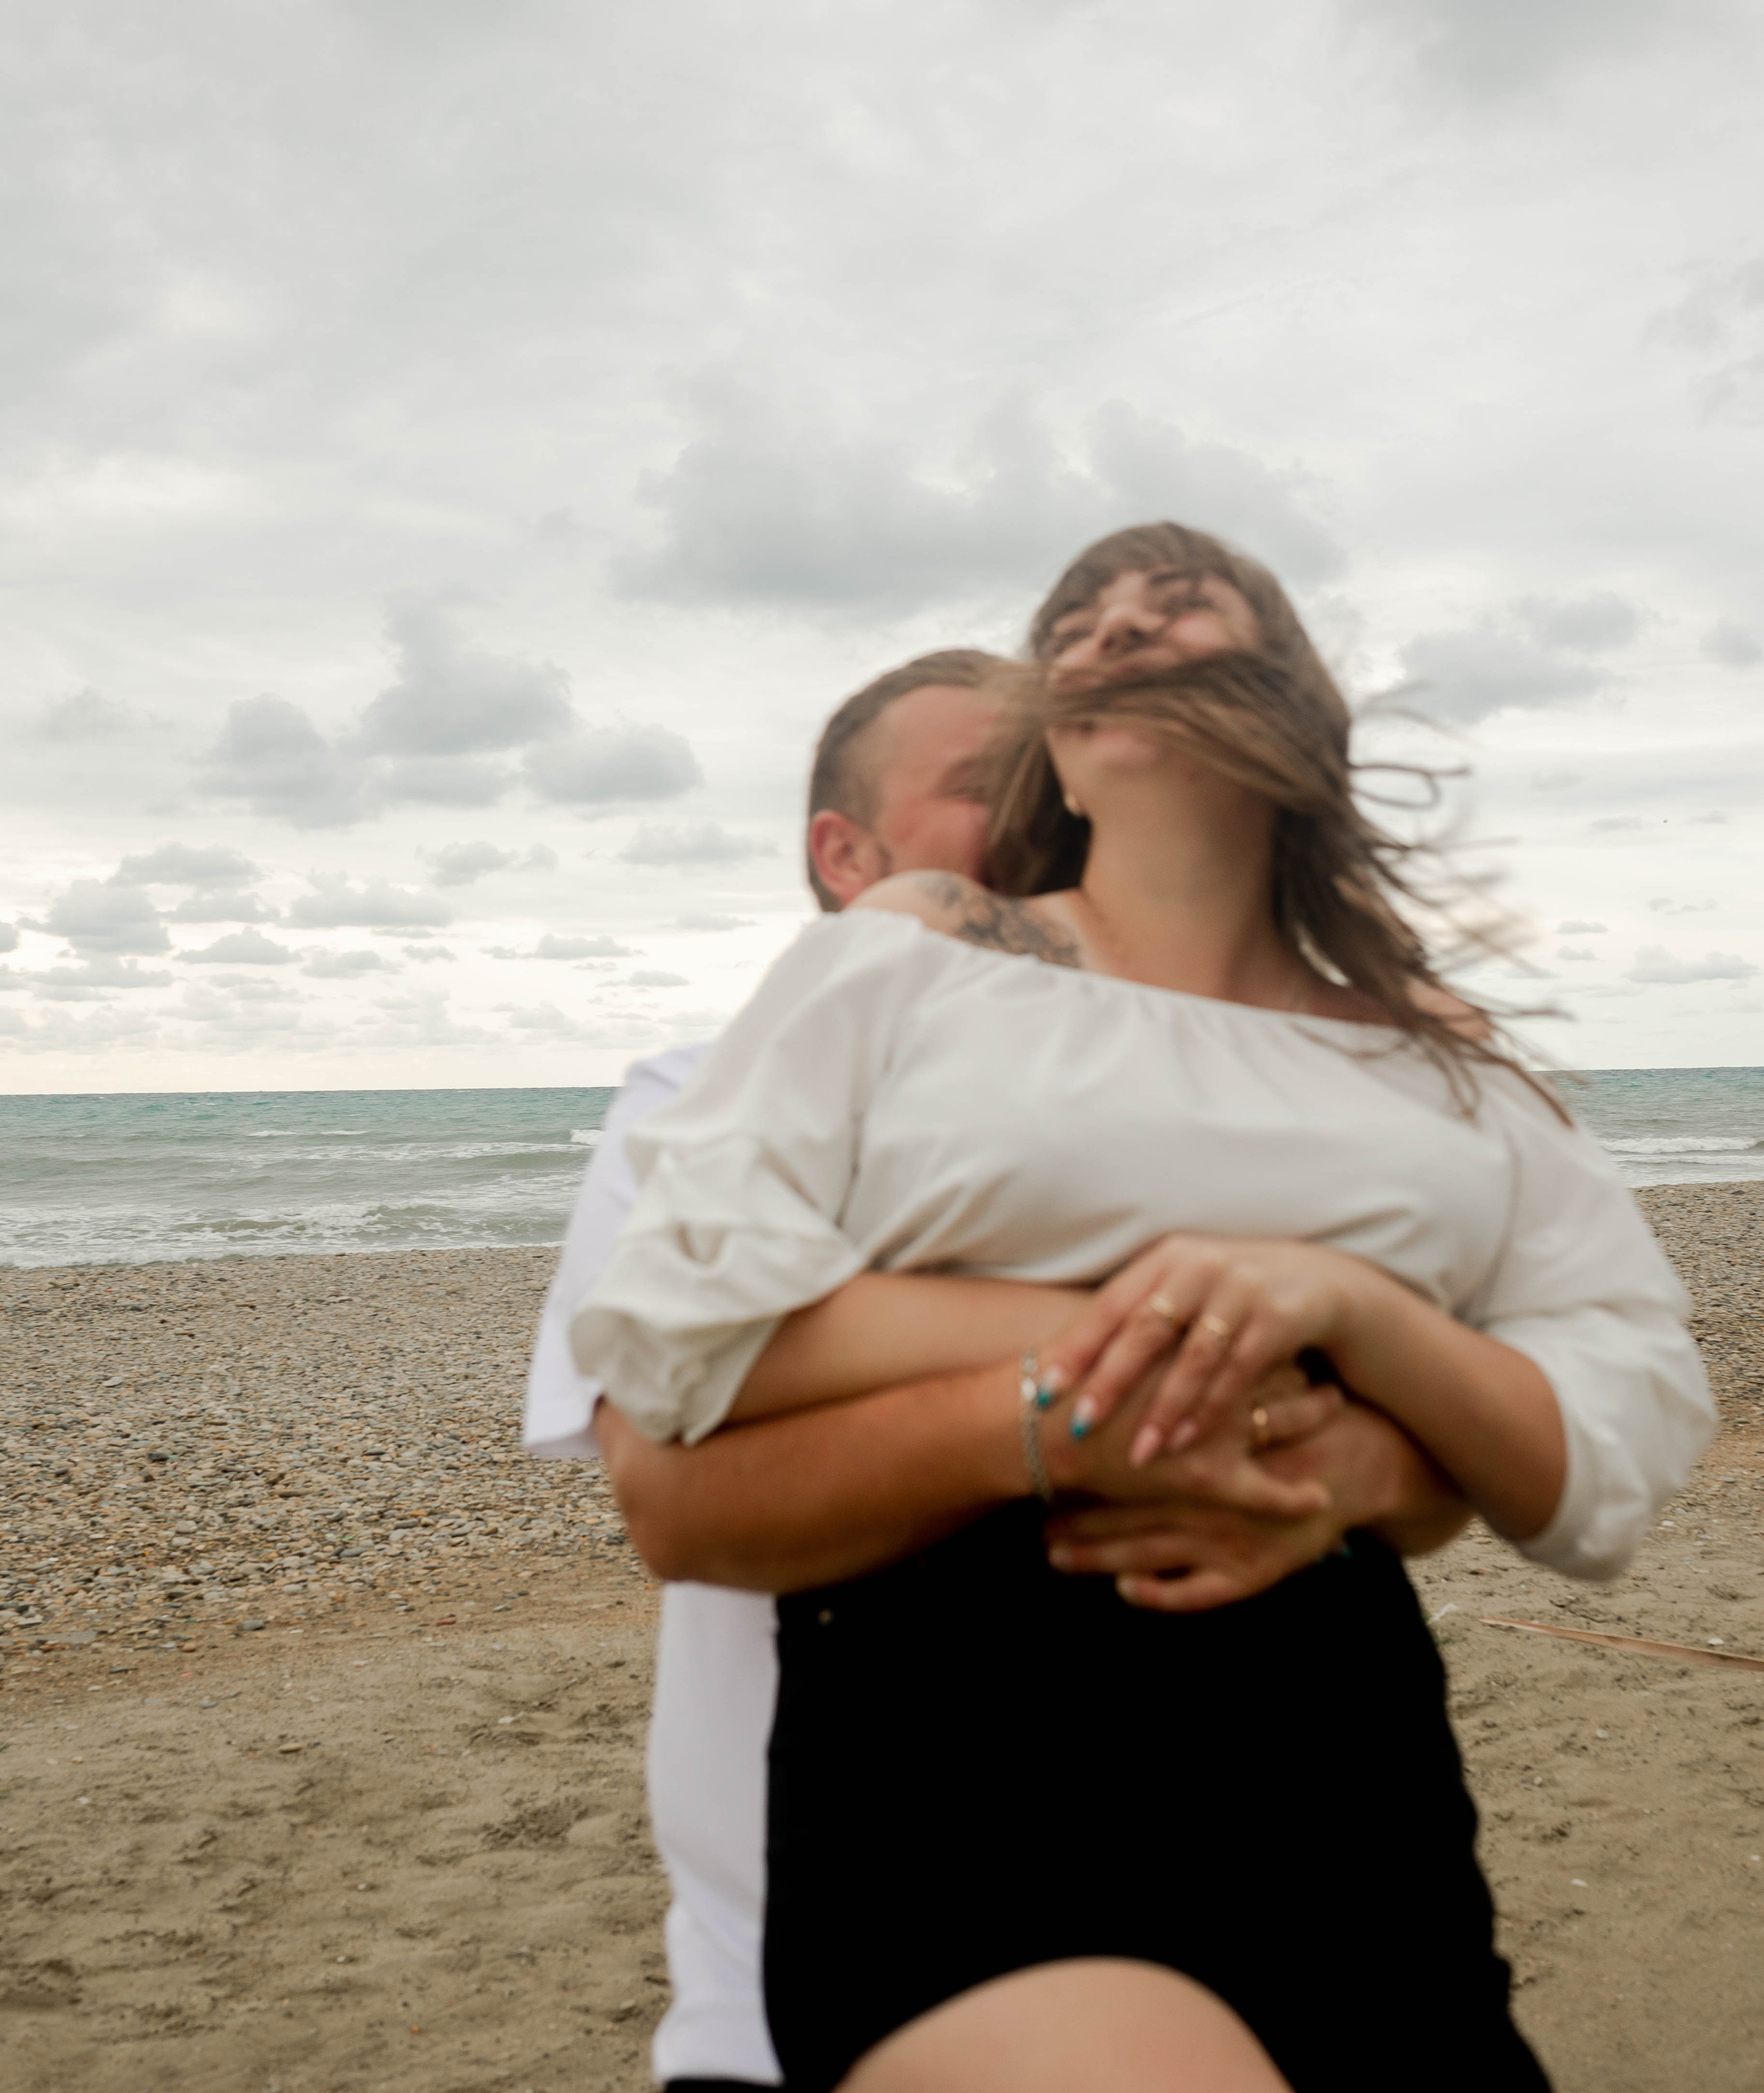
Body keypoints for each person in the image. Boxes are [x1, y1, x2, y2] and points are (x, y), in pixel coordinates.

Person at [574, 523, 1714, 2093]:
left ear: (1293, 711)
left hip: (1341, 1740)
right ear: (1061, 756)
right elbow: (685, 1325)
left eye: (1173, 609)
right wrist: (1216, 1343)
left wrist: (1354, 1321)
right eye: (1079, 623)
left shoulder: (1425, 1048)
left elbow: (1617, 1420)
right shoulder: (917, 955)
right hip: (970, 1721)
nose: (1111, 631)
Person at [526, 642, 1460, 2093]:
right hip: (829, 1969)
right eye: (987, 785)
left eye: (1062, 782)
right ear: (847, 855)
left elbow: (1436, 1451)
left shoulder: (1238, 1082)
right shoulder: (707, 1101)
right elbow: (670, 1504)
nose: (1049, 817)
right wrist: (1075, 1403)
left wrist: (1368, 1437)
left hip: (1308, 1892)